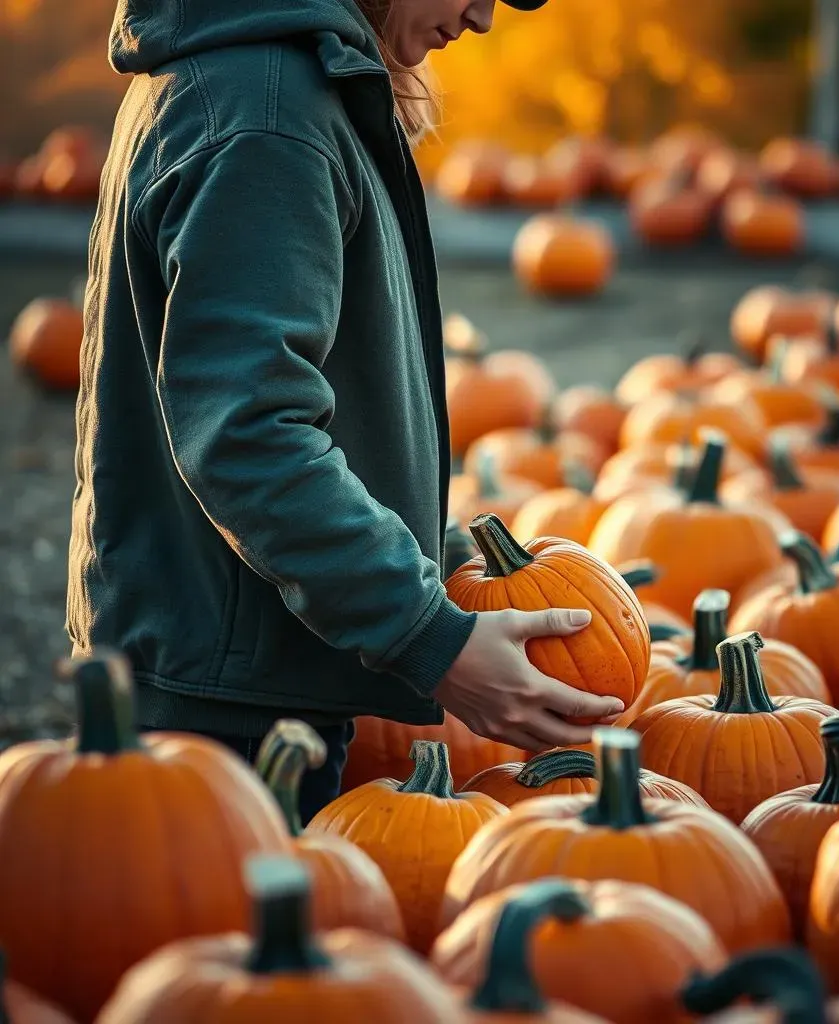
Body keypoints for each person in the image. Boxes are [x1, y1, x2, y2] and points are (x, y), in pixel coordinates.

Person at [68, 0, 624, 823]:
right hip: (224, 705)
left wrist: (437, 557)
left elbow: (288, 393)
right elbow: (250, 433)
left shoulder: (283, 86)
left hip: (236, 660)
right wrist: (430, 639)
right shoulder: (267, 116)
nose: (480, 16)